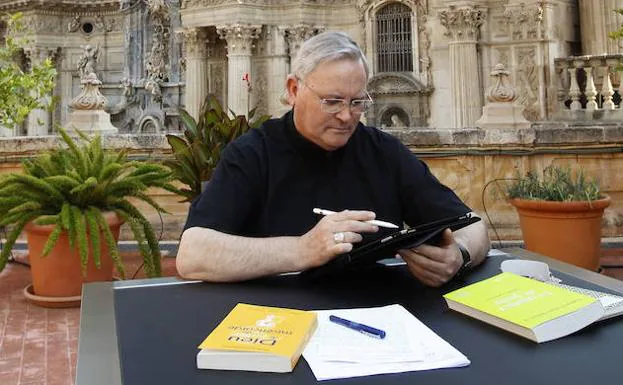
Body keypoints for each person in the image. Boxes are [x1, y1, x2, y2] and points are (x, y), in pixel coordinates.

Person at [176, 31, 490, 285]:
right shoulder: (252, 154)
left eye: (357, 102)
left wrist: (458, 255)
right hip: (278, 322)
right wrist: (302, 249)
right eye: (332, 101)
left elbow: (473, 227)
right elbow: (193, 255)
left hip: (379, 317)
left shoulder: (384, 152)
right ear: (293, 89)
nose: (346, 116)